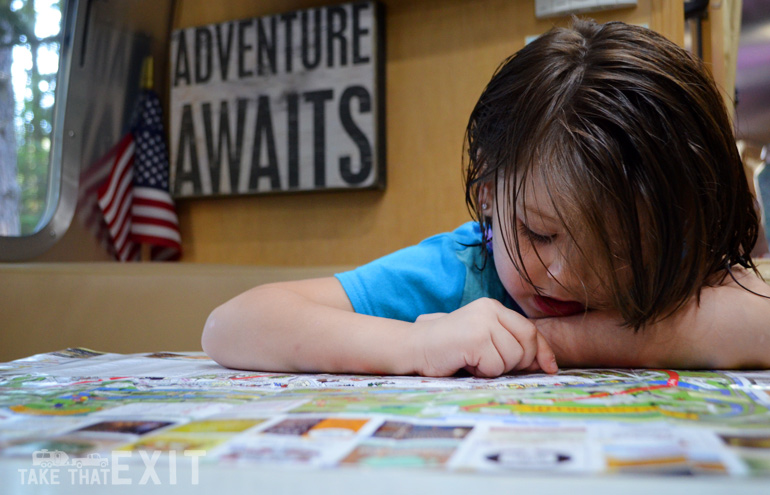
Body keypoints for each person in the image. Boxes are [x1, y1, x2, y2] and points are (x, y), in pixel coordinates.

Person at [202, 19, 770, 377]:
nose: (564, 274)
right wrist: (414, 345)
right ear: (489, 195)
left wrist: (561, 342)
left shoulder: (674, 260)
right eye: (539, 233)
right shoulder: (461, 269)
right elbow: (233, 325)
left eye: (618, 247)